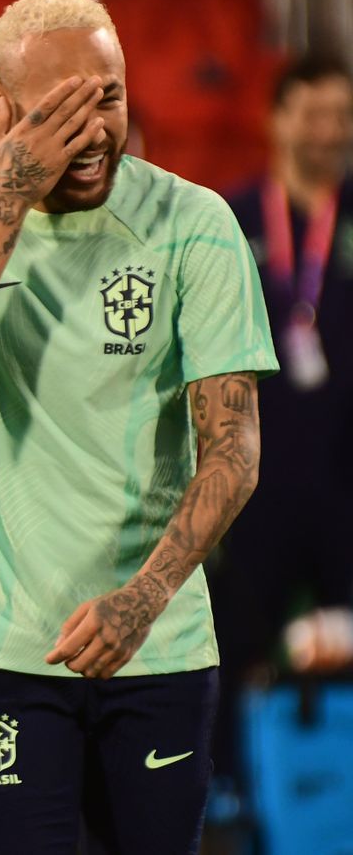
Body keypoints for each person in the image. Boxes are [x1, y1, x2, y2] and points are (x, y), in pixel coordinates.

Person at [0, 0, 278, 855]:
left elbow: (234, 449)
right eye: (62, 108)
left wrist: (141, 602)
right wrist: (7, 201)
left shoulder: (196, 226)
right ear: (0, 107)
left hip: (158, 650)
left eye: (110, 97)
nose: (94, 131)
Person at [209, 52, 353, 817]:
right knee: (234, 654)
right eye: (314, 113)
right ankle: (235, 802)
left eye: (342, 115)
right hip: (255, 492)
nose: (330, 131)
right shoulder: (231, 223)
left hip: (344, 489)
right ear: (277, 119)